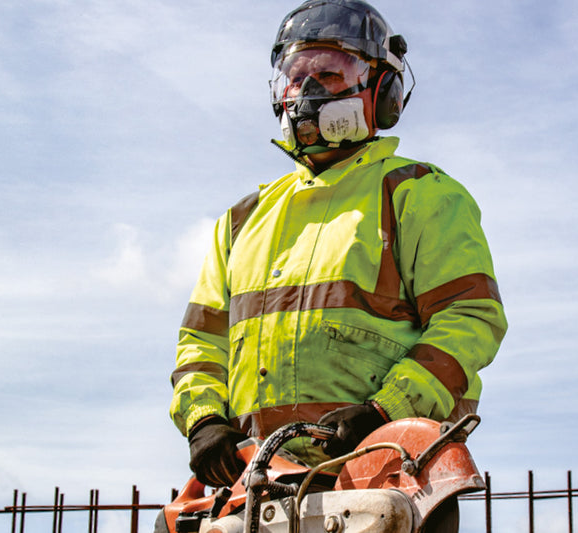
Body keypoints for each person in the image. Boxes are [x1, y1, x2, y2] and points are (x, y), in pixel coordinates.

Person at [169, 0, 508, 490]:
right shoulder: (242, 220)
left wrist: (384, 411)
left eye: (328, 73)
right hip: (255, 477)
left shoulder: (419, 193)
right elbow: (200, 343)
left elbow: (470, 319)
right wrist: (203, 421)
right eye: (294, 75)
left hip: (382, 468)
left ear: (382, 90)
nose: (305, 90)